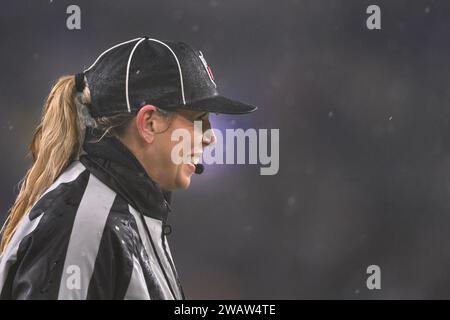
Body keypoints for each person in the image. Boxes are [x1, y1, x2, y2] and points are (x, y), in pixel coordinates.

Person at [0, 36, 257, 299]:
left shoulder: (123, 210)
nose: (210, 136)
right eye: (199, 118)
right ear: (149, 123)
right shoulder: (86, 225)